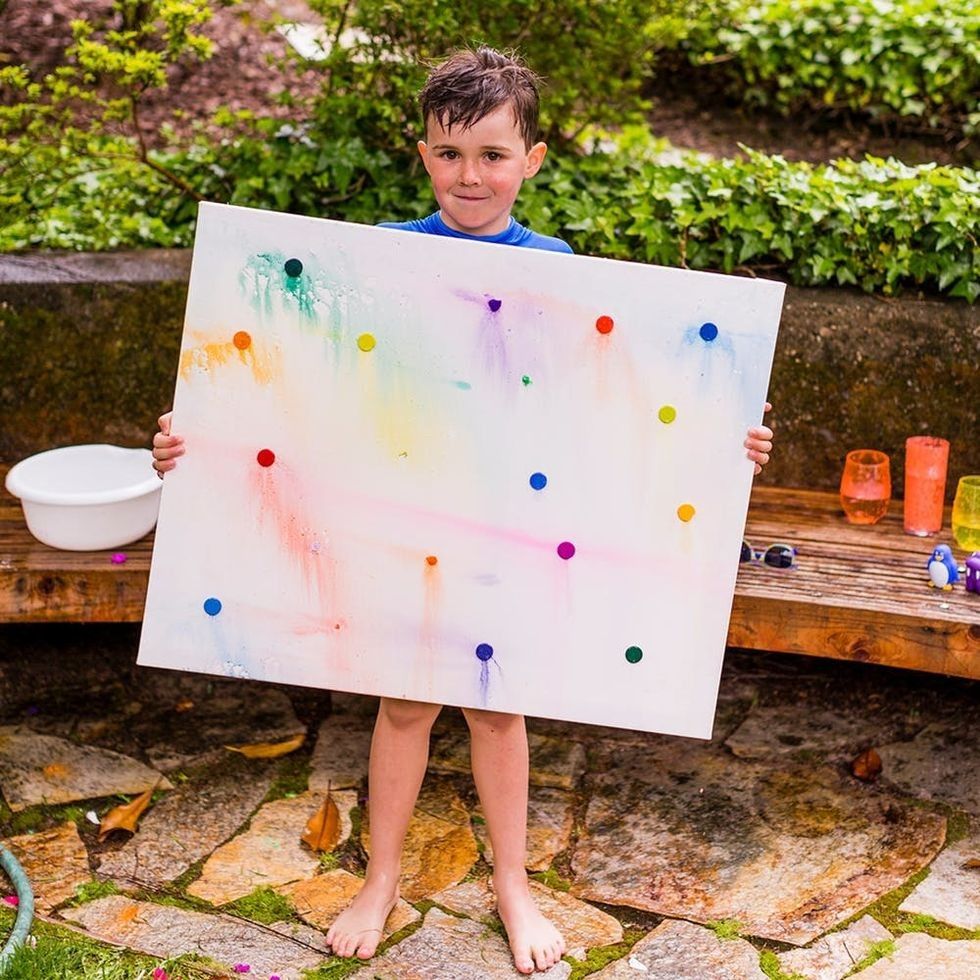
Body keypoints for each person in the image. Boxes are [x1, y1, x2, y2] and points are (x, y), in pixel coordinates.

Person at [152, 47, 775, 974]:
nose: (469, 175)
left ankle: (514, 886)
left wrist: (726, 443)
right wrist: (197, 436)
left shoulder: (562, 271)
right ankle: (383, 876)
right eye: (449, 154)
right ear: (422, 154)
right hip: (407, 527)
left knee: (498, 712)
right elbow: (313, 390)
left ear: (534, 158)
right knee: (404, 705)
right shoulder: (378, 259)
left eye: (491, 154)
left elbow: (608, 403)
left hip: (510, 535)